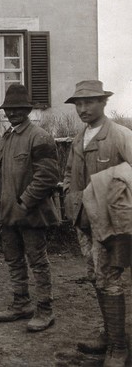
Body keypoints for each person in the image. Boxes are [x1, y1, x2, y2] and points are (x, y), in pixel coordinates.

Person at [0, 84, 59, 332]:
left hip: (31, 213)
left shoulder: (40, 136)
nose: (12, 113)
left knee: (37, 260)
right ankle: (21, 303)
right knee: (13, 260)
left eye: (18, 109)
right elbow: (0, 175)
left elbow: (47, 177)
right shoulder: (7, 136)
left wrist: (24, 201)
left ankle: (45, 309)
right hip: (7, 212)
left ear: (27, 109)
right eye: (9, 109)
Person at [62, 80, 132, 365]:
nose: (83, 108)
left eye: (89, 102)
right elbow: (69, 172)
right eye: (78, 104)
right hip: (84, 220)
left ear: (104, 103)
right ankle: (108, 332)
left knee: (110, 278)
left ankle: (118, 347)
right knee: (96, 276)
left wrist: (115, 198)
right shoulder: (79, 138)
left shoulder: (120, 135)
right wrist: (69, 193)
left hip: (112, 225)